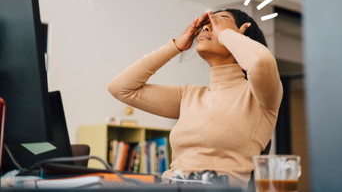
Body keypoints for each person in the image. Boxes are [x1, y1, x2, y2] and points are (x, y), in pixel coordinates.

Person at [108, 9, 283, 187]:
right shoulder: (189, 95)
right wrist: (175, 46)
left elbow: (261, 62)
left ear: (241, 35)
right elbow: (121, 88)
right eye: (205, 24)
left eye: (219, 20)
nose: (206, 27)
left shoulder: (259, 96)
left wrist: (227, 35)